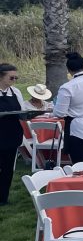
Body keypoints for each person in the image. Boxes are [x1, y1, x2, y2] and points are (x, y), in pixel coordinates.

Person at [0, 64, 34, 204]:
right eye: (11, 77)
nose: (14, 80)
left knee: (8, 168)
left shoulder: (15, 92)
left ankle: (3, 198)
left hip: (12, 133)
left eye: (16, 78)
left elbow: (22, 112)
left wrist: (29, 115)